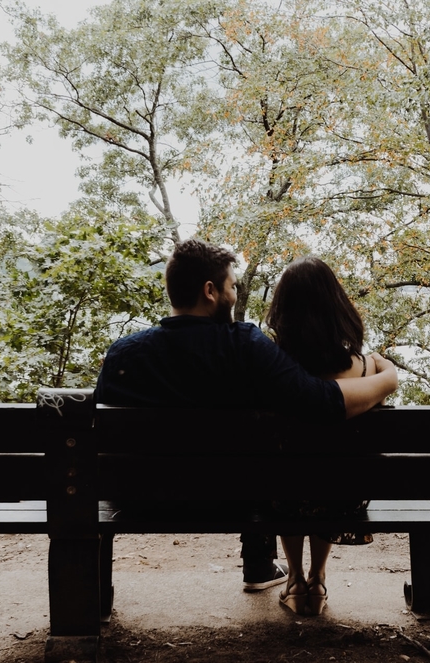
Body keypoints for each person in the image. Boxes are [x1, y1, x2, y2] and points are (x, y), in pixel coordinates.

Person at [94, 239, 397, 593]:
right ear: (210, 291)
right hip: (227, 501)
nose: (235, 294)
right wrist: (386, 379)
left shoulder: (122, 355)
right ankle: (260, 564)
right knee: (269, 470)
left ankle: (94, 596)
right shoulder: (244, 347)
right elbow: (322, 401)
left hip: (135, 499)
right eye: (232, 286)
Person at [264, 256, 379, 616]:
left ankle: (295, 580)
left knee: (288, 480)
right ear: (336, 307)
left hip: (283, 494)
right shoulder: (363, 367)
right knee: (329, 478)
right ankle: (318, 578)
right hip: (344, 496)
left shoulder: (273, 368)